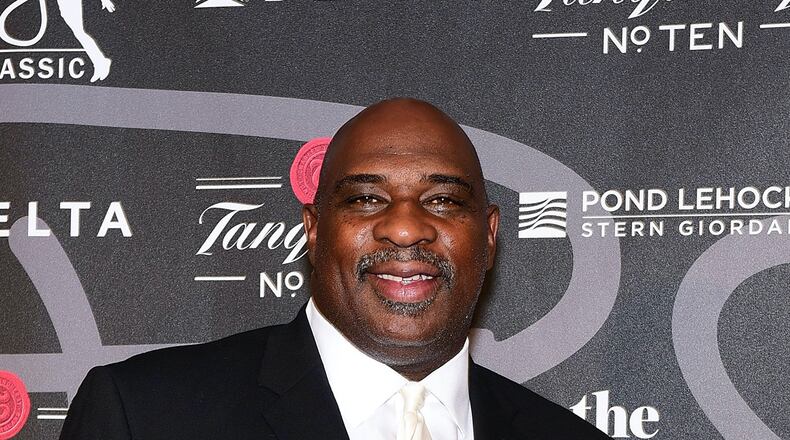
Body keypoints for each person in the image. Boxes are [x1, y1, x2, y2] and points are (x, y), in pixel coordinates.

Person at [60, 98, 611, 439]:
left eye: (443, 200)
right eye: (366, 199)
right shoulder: (146, 416)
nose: (404, 228)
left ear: (488, 237)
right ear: (315, 230)